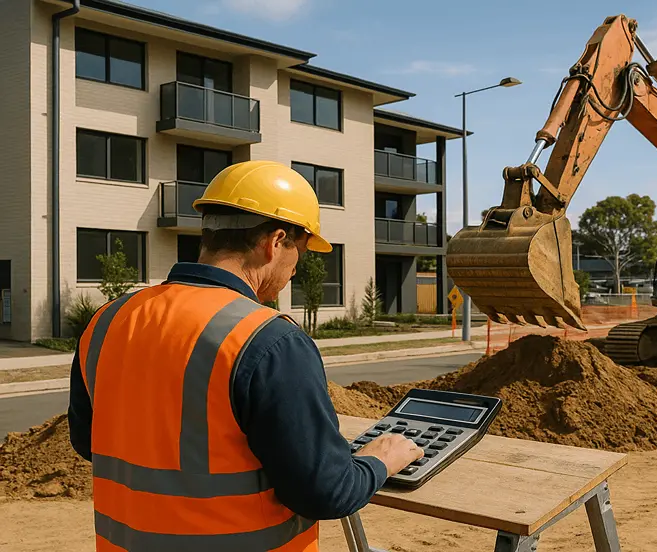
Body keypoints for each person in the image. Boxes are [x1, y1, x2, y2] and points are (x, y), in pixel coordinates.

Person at [67, 160, 423, 550]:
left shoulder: (107, 320)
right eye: (300, 252)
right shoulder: (268, 339)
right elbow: (324, 493)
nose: (294, 270)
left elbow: (91, 442)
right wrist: (379, 461)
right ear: (274, 242)